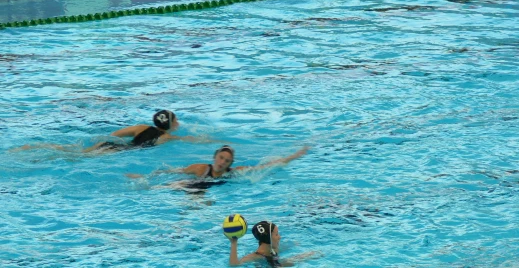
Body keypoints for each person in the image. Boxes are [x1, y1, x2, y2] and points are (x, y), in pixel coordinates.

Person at [126, 145, 309, 188]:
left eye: (227, 161)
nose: (222, 162)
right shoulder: (200, 168)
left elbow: (265, 166)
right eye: (221, 158)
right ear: (214, 157)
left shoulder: (234, 173)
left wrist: (294, 156)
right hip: (192, 184)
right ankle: (143, 183)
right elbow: (171, 171)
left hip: (206, 189)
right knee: (162, 187)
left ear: (231, 164)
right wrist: (150, 176)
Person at [15, 110, 199, 152]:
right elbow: (190, 140)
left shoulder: (141, 128)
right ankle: (39, 152)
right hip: (113, 152)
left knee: (74, 151)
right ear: (170, 124)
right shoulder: (167, 137)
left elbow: (114, 135)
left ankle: (35, 147)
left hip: (109, 145)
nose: (178, 122)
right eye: (176, 120)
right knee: (73, 157)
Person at [229, 221, 319, 268]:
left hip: (276, 264)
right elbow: (234, 265)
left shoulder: (273, 249)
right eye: (276, 234)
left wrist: (295, 244)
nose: (279, 237)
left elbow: (286, 247)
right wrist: (234, 243)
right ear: (268, 238)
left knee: (312, 254)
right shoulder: (255, 257)